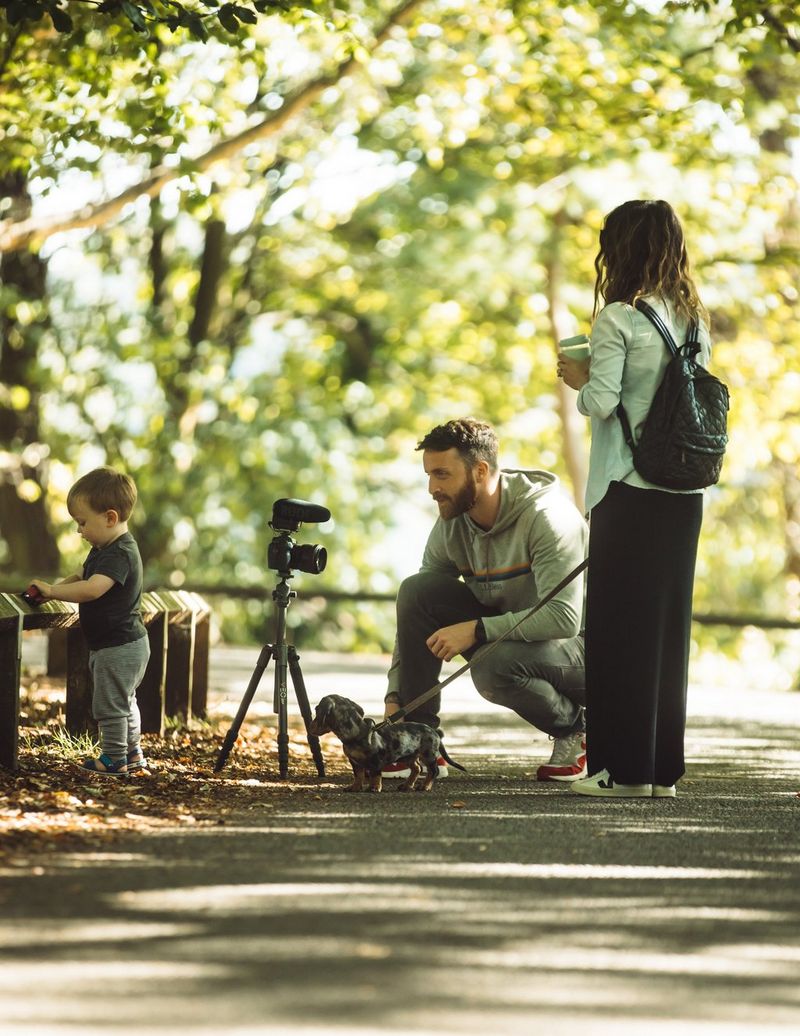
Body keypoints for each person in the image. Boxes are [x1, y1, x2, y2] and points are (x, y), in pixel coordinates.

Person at [558, 199, 711, 799]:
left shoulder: (618, 318)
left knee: (617, 629)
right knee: (667, 632)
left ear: (620, 249)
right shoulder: (695, 319)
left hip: (628, 487)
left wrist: (579, 378)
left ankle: (621, 773)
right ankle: (661, 773)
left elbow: (600, 402)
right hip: (685, 490)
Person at [383, 418, 588, 781]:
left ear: (479, 471)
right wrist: (395, 696)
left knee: (494, 664)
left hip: (586, 649)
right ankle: (417, 736)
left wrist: (477, 630)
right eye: (428, 475)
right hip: (514, 636)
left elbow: (564, 619)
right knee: (418, 589)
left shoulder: (548, 517)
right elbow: (415, 612)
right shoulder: (453, 520)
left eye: (442, 474)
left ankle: (579, 729)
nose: (432, 487)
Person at [30, 467, 150, 776]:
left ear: (110, 518)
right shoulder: (103, 549)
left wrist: (56, 591)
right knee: (124, 702)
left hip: (118, 645)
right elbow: (81, 577)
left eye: (82, 523)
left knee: (109, 706)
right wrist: (52, 590)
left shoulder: (119, 553)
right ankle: (131, 753)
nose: (79, 531)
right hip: (124, 643)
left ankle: (113, 757)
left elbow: (94, 588)